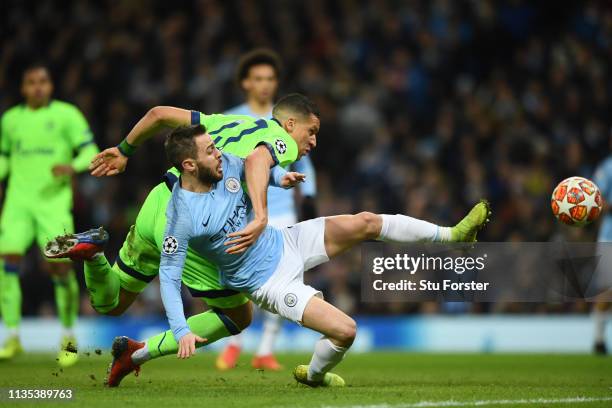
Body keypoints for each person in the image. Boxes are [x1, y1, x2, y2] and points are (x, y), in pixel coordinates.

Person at [102, 124, 490, 387]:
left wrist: (277, 177)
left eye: (215, 145)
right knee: (346, 331)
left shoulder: (223, 167)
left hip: (286, 241)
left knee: (367, 222)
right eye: (208, 150)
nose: (218, 153)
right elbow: (169, 277)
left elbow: (251, 164)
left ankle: (451, 234)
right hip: (270, 283)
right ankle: (315, 375)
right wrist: (182, 328)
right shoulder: (181, 216)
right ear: (189, 165)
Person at [44, 94, 320, 374]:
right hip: (189, 218)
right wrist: (261, 215)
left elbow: (158, 114)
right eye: (311, 131)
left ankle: (94, 254)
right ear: (289, 124)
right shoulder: (282, 143)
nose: (313, 141)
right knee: (238, 315)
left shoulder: (229, 122)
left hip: (157, 201)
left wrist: (124, 150)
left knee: (112, 304)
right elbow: (257, 160)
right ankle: (138, 352)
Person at [218, 49, 318, 371]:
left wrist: (311, 195)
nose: (264, 85)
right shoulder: (235, 116)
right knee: (240, 277)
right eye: (258, 78)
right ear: (246, 83)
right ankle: (234, 342)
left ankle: (264, 350)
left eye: (270, 79)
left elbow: (304, 159)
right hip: (243, 207)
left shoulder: (288, 123)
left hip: (282, 208)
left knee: (285, 275)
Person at [0, 63, 99, 367]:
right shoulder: (10, 120)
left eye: (43, 81)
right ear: (23, 88)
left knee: (60, 269)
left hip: (53, 205)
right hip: (17, 203)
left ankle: (68, 336)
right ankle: (13, 334)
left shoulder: (66, 115)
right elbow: (4, 157)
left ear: (51, 86)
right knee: (7, 261)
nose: (38, 87)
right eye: (31, 82)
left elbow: (88, 148)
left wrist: (74, 166)